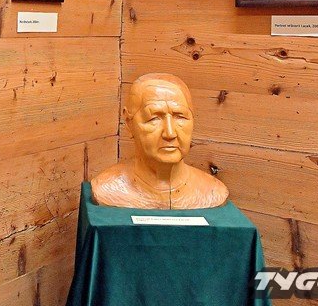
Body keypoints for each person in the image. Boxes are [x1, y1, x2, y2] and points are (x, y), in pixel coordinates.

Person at [91, 73, 228, 210]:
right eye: (154, 118)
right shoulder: (109, 188)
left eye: (180, 117)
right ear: (129, 123)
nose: (170, 133)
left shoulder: (212, 191)